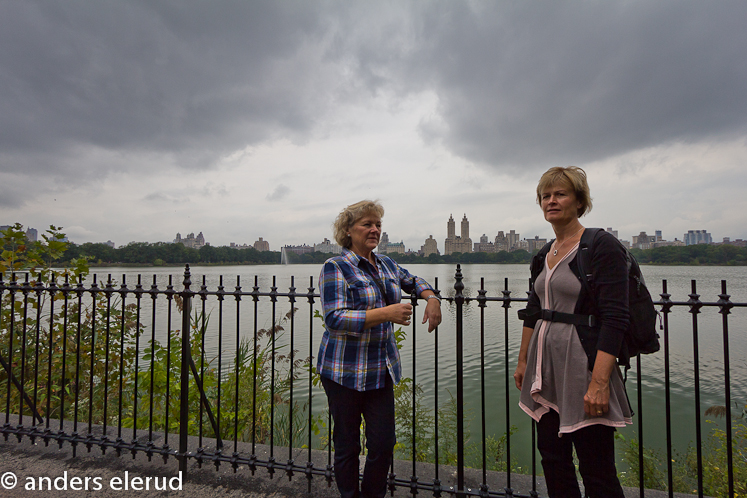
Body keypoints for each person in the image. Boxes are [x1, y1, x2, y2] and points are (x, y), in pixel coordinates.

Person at [514, 167, 632, 498]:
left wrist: (599, 383)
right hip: (544, 368)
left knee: (597, 468)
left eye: (560, 194)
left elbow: (615, 317)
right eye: (546, 196)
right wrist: (523, 361)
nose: (551, 201)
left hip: (583, 367)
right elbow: (533, 311)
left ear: (579, 201)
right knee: (553, 459)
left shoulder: (600, 245)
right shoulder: (543, 253)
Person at [317, 200, 442, 498]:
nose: (374, 230)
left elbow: (412, 280)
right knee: (347, 444)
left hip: (380, 370)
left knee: (384, 443)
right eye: (367, 224)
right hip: (343, 371)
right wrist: (386, 314)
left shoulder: (385, 263)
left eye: (378, 225)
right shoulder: (336, 267)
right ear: (348, 231)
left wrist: (431, 297)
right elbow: (334, 319)